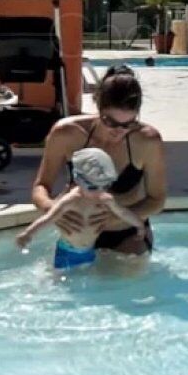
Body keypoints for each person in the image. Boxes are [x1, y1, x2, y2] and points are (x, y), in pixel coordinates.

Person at [31, 65, 168, 257]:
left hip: (126, 231)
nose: (118, 131)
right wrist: (51, 209)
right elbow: (41, 186)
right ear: (98, 107)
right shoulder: (67, 133)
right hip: (78, 230)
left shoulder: (147, 141)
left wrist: (117, 216)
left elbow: (157, 200)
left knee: (128, 281)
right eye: (110, 122)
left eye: (128, 124)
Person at [16, 147, 147, 269]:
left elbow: (123, 213)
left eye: (105, 186)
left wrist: (139, 225)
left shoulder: (105, 198)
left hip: (89, 250)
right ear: (78, 180)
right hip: (67, 252)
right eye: (93, 187)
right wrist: (28, 233)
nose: (99, 191)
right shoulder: (71, 200)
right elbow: (49, 218)